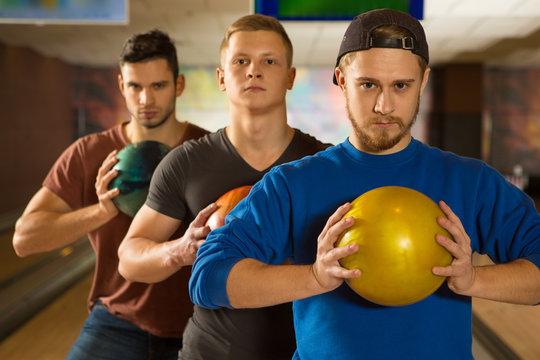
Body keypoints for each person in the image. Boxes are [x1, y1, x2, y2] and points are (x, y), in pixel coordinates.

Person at [189, 8, 540, 360]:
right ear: (341, 80)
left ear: (424, 80)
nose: (384, 105)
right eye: (368, 84)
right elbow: (208, 278)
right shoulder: (293, 184)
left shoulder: (469, 181)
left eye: (401, 85)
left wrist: (473, 280)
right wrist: (313, 277)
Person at [118, 14, 329, 360]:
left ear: (290, 77)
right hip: (210, 352)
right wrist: (179, 250)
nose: (253, 71)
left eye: (269, 61)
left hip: (304, 352)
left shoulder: (323, 164)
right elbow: (129, 259)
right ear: (221, 77)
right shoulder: (185, 163)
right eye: (241, 61)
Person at [12, 29, 208, 359]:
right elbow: (24, 239)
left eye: (158, 86)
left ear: (179, 85)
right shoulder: (89, 152)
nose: (146, 99)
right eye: (135, 86)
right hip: (116, 320)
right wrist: (100, 211)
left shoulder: (206, 151)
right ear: (121, 86)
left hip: (197, 322)